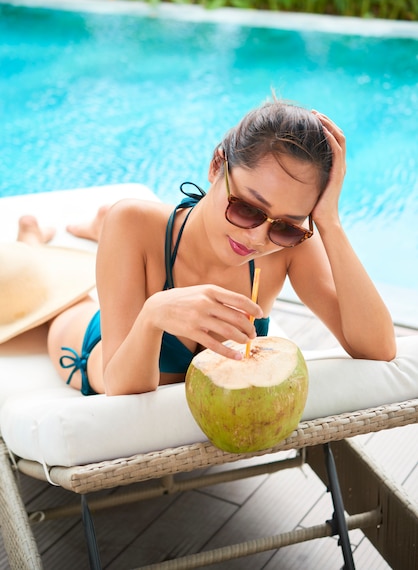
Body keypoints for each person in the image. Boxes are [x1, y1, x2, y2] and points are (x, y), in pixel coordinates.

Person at [21, 100, 398, 397]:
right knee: (54, 302)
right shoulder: (132, 221)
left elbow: (377, 347)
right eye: (247, 208)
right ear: (217, 164)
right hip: (103, 353)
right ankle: (34, 241)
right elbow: (120, 388)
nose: (256, 239)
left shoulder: (290, 246)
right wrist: (154, 314)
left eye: (285, 226)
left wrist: (328, 223)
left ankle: (96, 229)